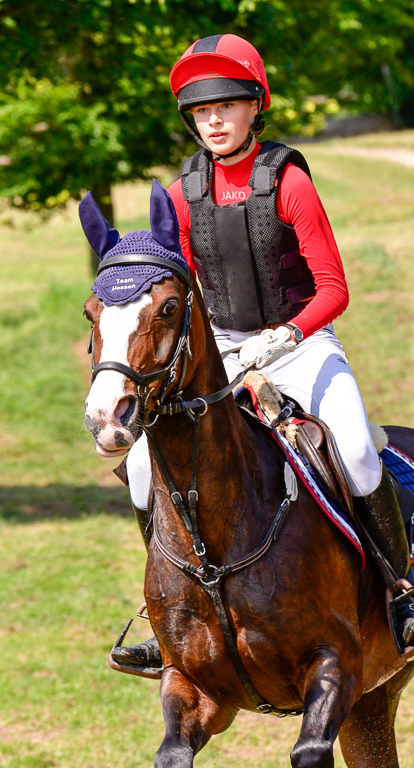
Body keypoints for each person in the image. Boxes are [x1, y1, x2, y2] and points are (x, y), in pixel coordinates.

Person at [112, 34, 414, 669]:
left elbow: (334, 288)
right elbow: (180, 291)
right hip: (221, 350)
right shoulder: (178, 195)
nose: (214, 120)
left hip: (299, 338)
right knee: (142, 467)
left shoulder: (290, 181)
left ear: (255, 107)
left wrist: (283, 340)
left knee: (357, 449)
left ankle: (402, 593)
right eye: (200, 111)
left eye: (226, 105)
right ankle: (170, 621)